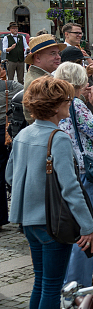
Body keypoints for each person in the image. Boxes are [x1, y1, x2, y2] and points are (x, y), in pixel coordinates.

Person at [7, 76, 93, 309]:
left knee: (39, 281)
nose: (71, 104)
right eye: (68, 100)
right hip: (51, 222)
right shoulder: (58, 138)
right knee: (51, 285)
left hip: (28, 219)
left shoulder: (24, 134)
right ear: (56, 105)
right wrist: (88, 226)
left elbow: (10, 174)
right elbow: (70, 188)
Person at [56, 62, 93, 289]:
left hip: (64, 169)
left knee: (69, 229)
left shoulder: (58, 102)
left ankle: (66, 282)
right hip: (83, 170)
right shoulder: (76, 105)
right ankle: (78, 287)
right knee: (86, 229)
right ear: (79, 83)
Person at [24, 34, 65, 124]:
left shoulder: (40, 76)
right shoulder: (39, 81)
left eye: (58, 53)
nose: (58, 57)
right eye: (53, 53)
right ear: (37, 57)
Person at [0, 67, 22, 227]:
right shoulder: (10, 85)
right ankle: (19, 214)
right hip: (6, 132)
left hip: (4, 133)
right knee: (14, 171)